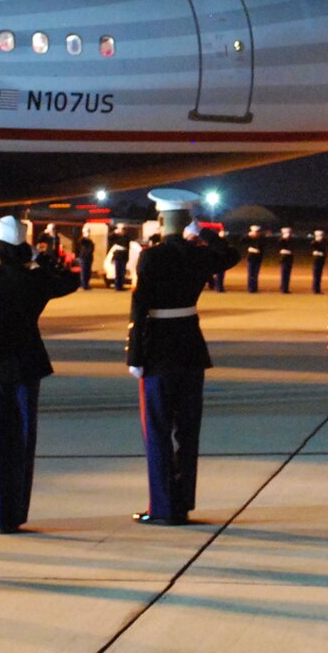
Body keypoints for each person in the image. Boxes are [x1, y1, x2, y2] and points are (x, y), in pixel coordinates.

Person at [0, 216, 79, 532]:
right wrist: (40, 258)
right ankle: (15, 514)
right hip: (28, 365)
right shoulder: (34, 281)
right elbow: (70, 280)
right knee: (23, 443)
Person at [129, 190, 241, 524]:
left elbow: (139, 309)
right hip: (191, 348)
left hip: (159, 350)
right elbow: (230, 255)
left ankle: (162, 506)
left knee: (159, 431)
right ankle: (183, 502)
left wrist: (135, 353)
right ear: (187, 220)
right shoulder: (199, 255)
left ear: (161, 220)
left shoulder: (151, 257)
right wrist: (204, 232)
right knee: (188, 433)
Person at [243, 224, 265, 292]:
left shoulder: (261, 239)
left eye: (257, 232)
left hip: (258, 259)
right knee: (250, 274)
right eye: (255, 232)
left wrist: (254, 250)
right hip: (251, 258)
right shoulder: (249, 239)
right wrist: (248, 236)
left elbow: (262, 248)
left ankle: (255, 288)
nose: (256, 233)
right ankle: (250, 288)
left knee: (255, 275)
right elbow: (242, 241)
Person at [277, 226, 296, 294]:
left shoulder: (291, 241)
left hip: (289, 259)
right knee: (284, 274)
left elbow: (292, 248)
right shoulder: (281, 241)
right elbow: (281, 248)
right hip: (284, 259)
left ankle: (285, 287)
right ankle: (284, 288)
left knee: (287, 274)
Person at [310, 228, 328, 294]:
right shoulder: (314, 243)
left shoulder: (322, 243)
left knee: (318, 275)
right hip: (316, 261)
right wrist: (320, 254)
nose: (321, 237)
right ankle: (315, 289)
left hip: (321, 261)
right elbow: (314, 252)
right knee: (316, 275)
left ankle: (316, 288)